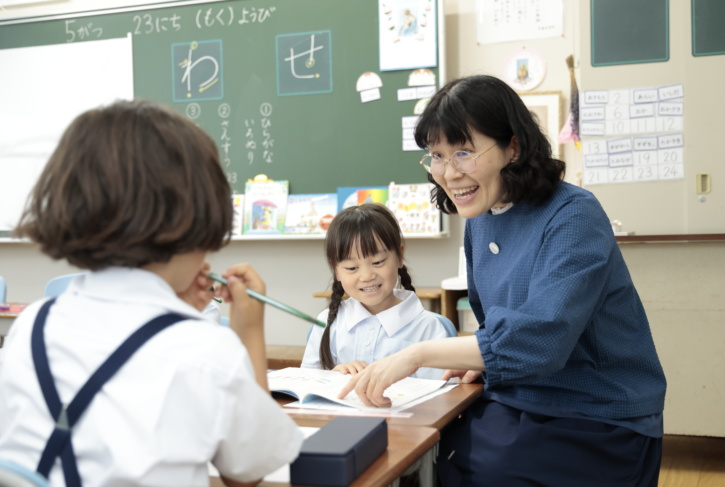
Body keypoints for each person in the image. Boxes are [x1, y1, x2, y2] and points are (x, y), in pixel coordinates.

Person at [338, 75, 667, 486]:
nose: (449, 172)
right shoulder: (482, 218)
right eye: (436, 156)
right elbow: (499, 327)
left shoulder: (573, 215)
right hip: (520, 398)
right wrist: (488, 364)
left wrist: (418, 354)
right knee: (419, 451)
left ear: (513, 147)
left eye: (463, 152)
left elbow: (541, 339)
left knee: (476, 471)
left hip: (596, 412)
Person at [0, 99, 302, 487]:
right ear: (190, 216)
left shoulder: (30, 326)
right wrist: (249, 331)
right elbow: (249, 471)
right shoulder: (206, 349)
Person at [301, 203, 449, 379]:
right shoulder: (327, 322)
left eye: (378, 262)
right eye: (351, 267)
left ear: (400, 256)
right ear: (336, 270)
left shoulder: (429, 328)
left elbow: (443, 395)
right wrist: (333, 377)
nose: (366, 276)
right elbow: (306, 383)